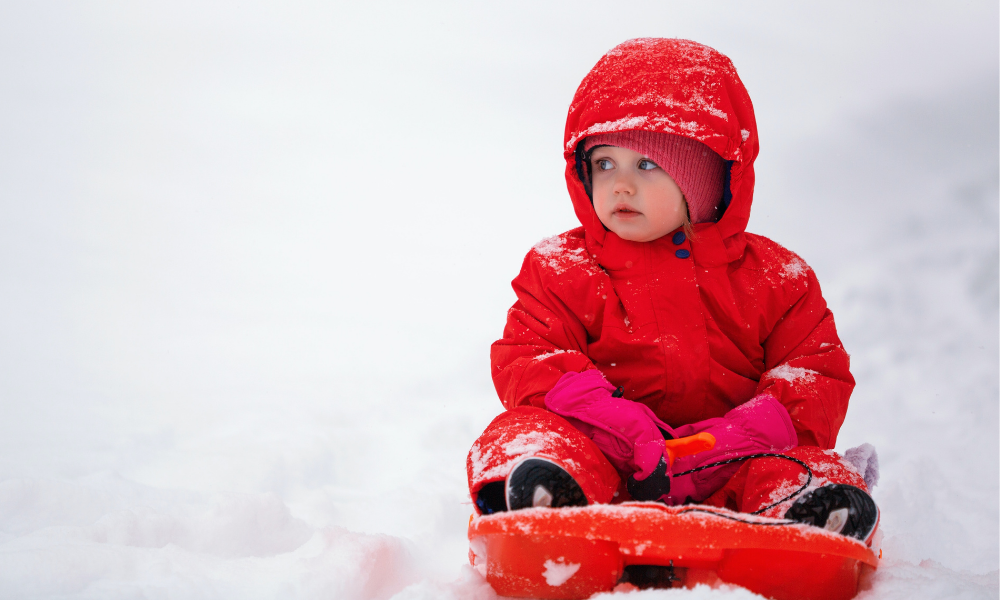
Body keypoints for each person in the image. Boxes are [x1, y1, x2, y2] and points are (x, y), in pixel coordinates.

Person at [466, 38, 879, 544]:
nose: (620, 185)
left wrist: (738, 435)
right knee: (522, 433)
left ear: (708, 178)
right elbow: (531, 358)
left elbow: (814, 373)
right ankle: (546, 498)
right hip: (609, 458)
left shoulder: (777, 278)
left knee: (802, 462)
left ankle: (808, 513)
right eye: (604, 164)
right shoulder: (561, 269)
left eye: (646, 165)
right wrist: (615, 423)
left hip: (738, 461)